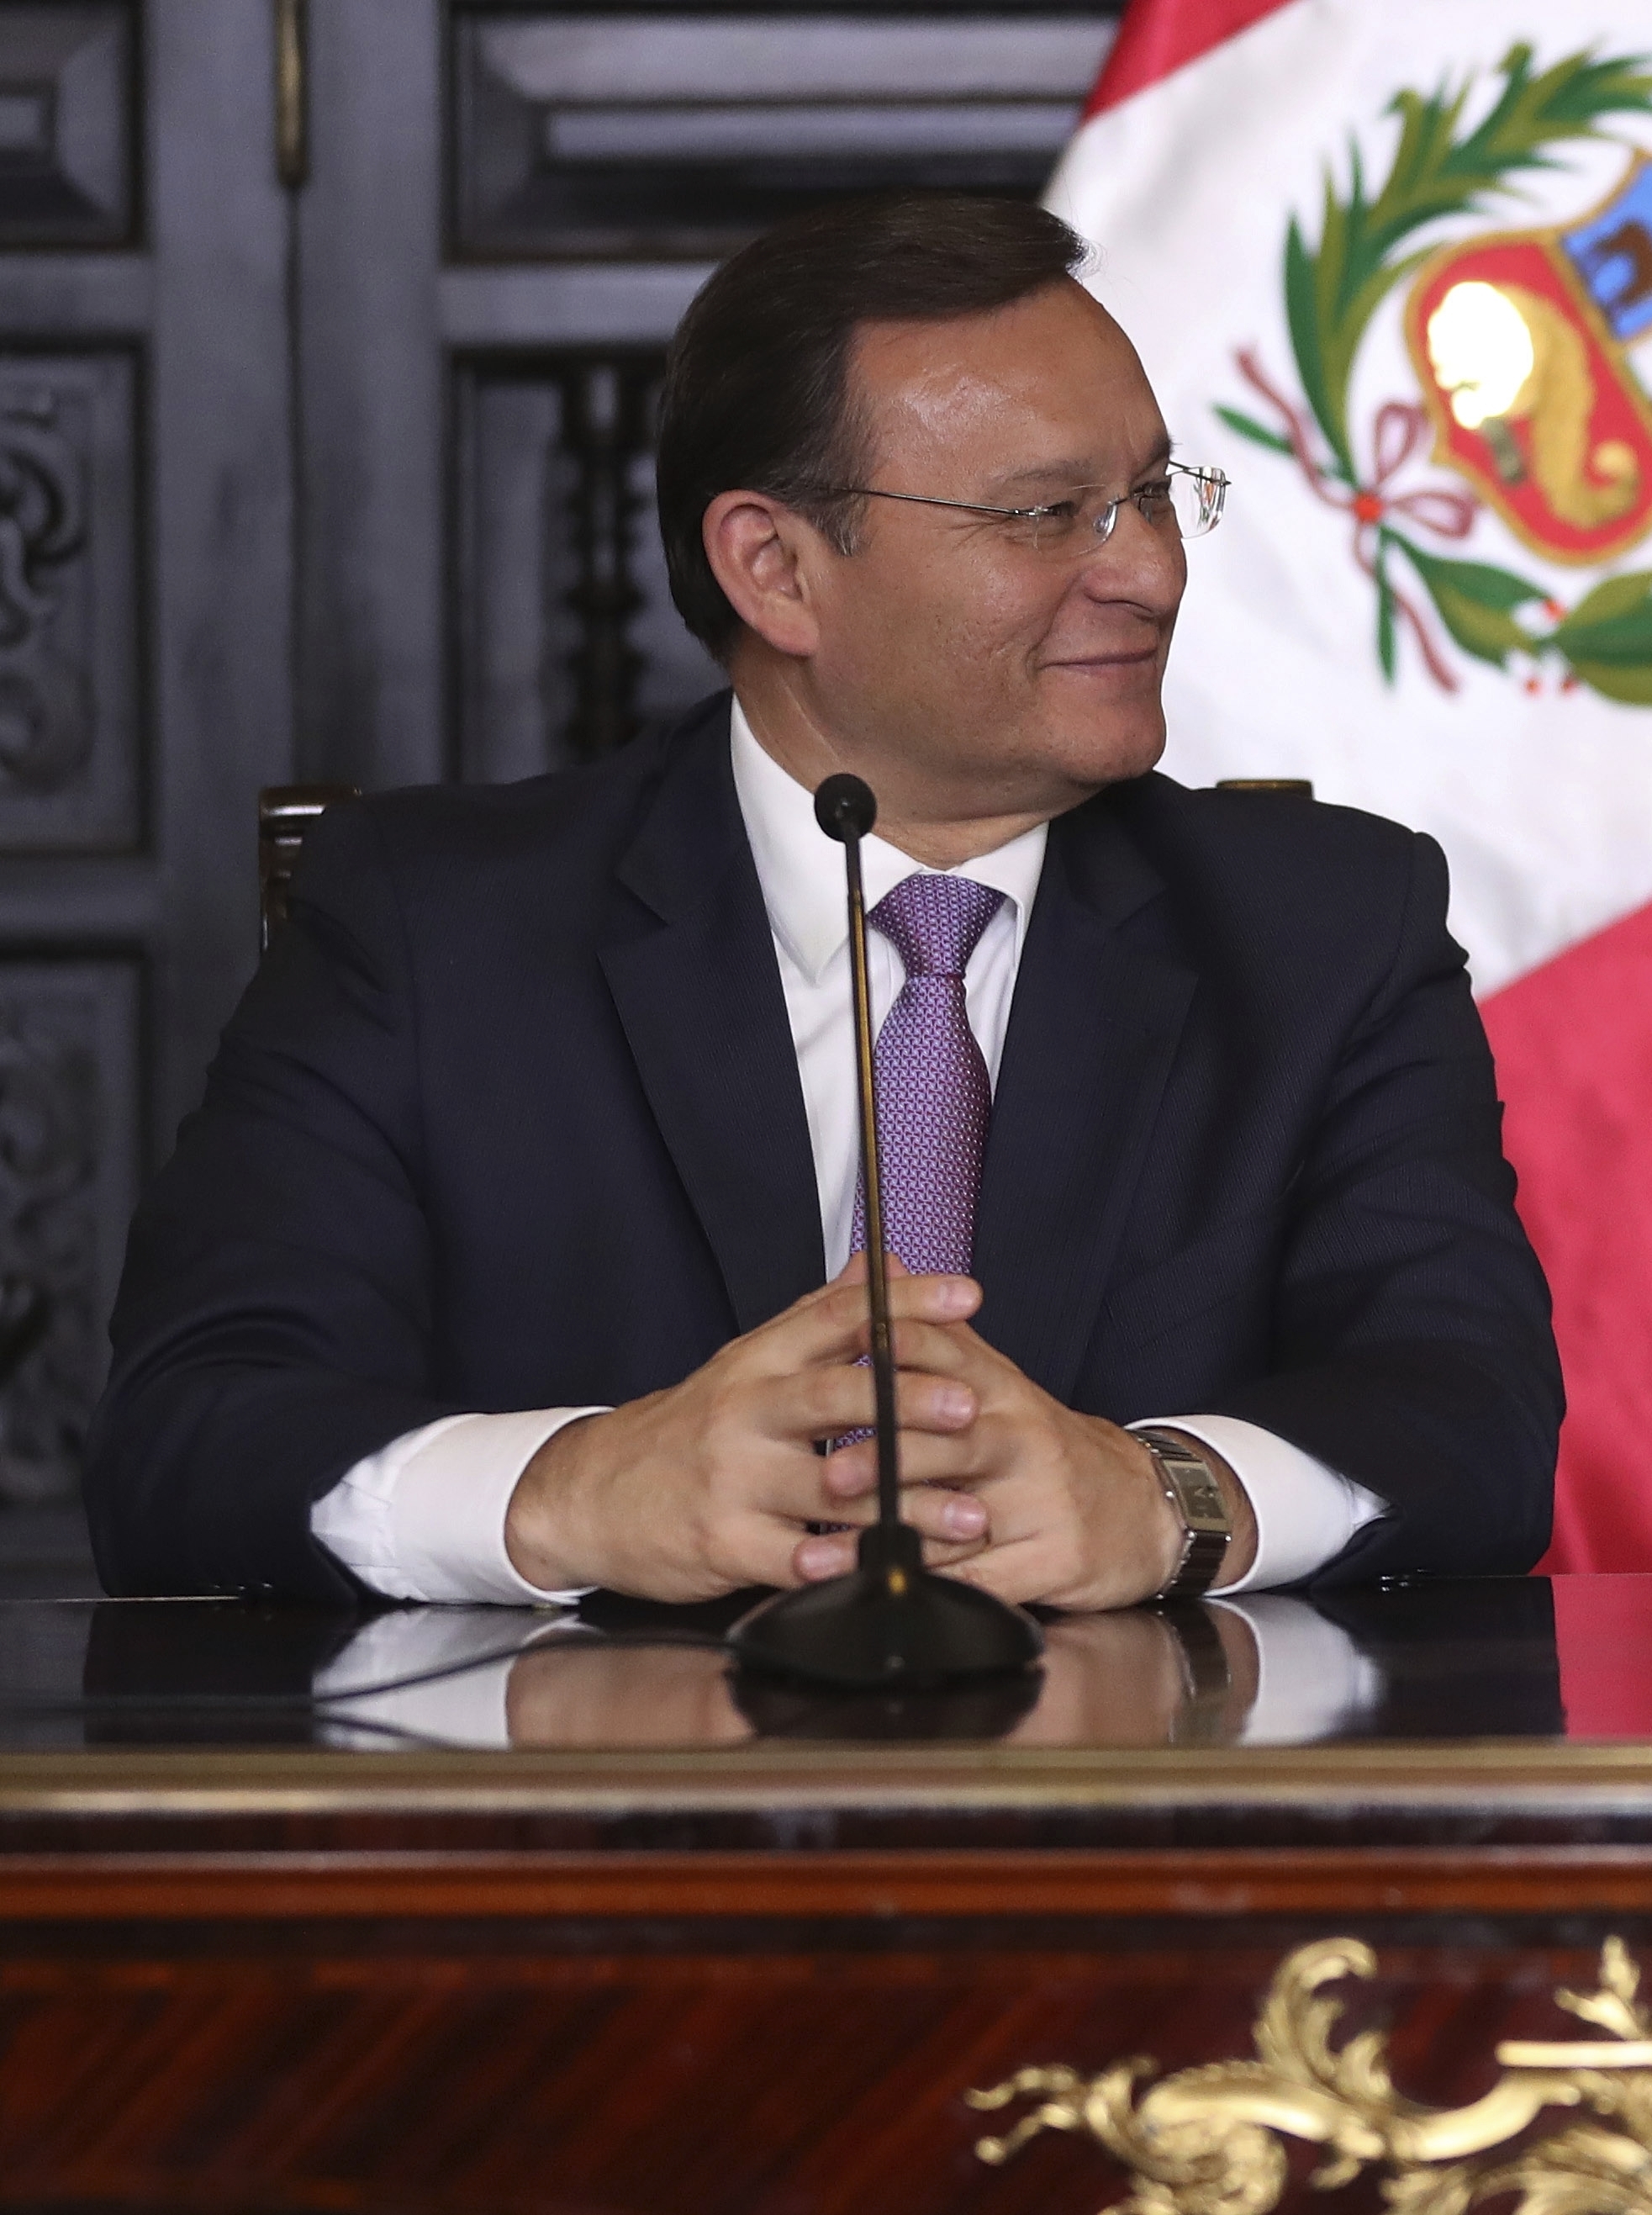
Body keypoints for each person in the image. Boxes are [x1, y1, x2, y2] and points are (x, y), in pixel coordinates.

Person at [89, 193, 1563, 1608]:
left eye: (1153, 494)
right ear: (776, 569)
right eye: (1051, 515)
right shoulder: (429, 929)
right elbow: (188, 1436)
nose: (1151, 572)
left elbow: (1471, 1419)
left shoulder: (1323, 933)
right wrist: (575, 1488)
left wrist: (1159, 1493)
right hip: (586, 1821)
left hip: (1140, 1814)